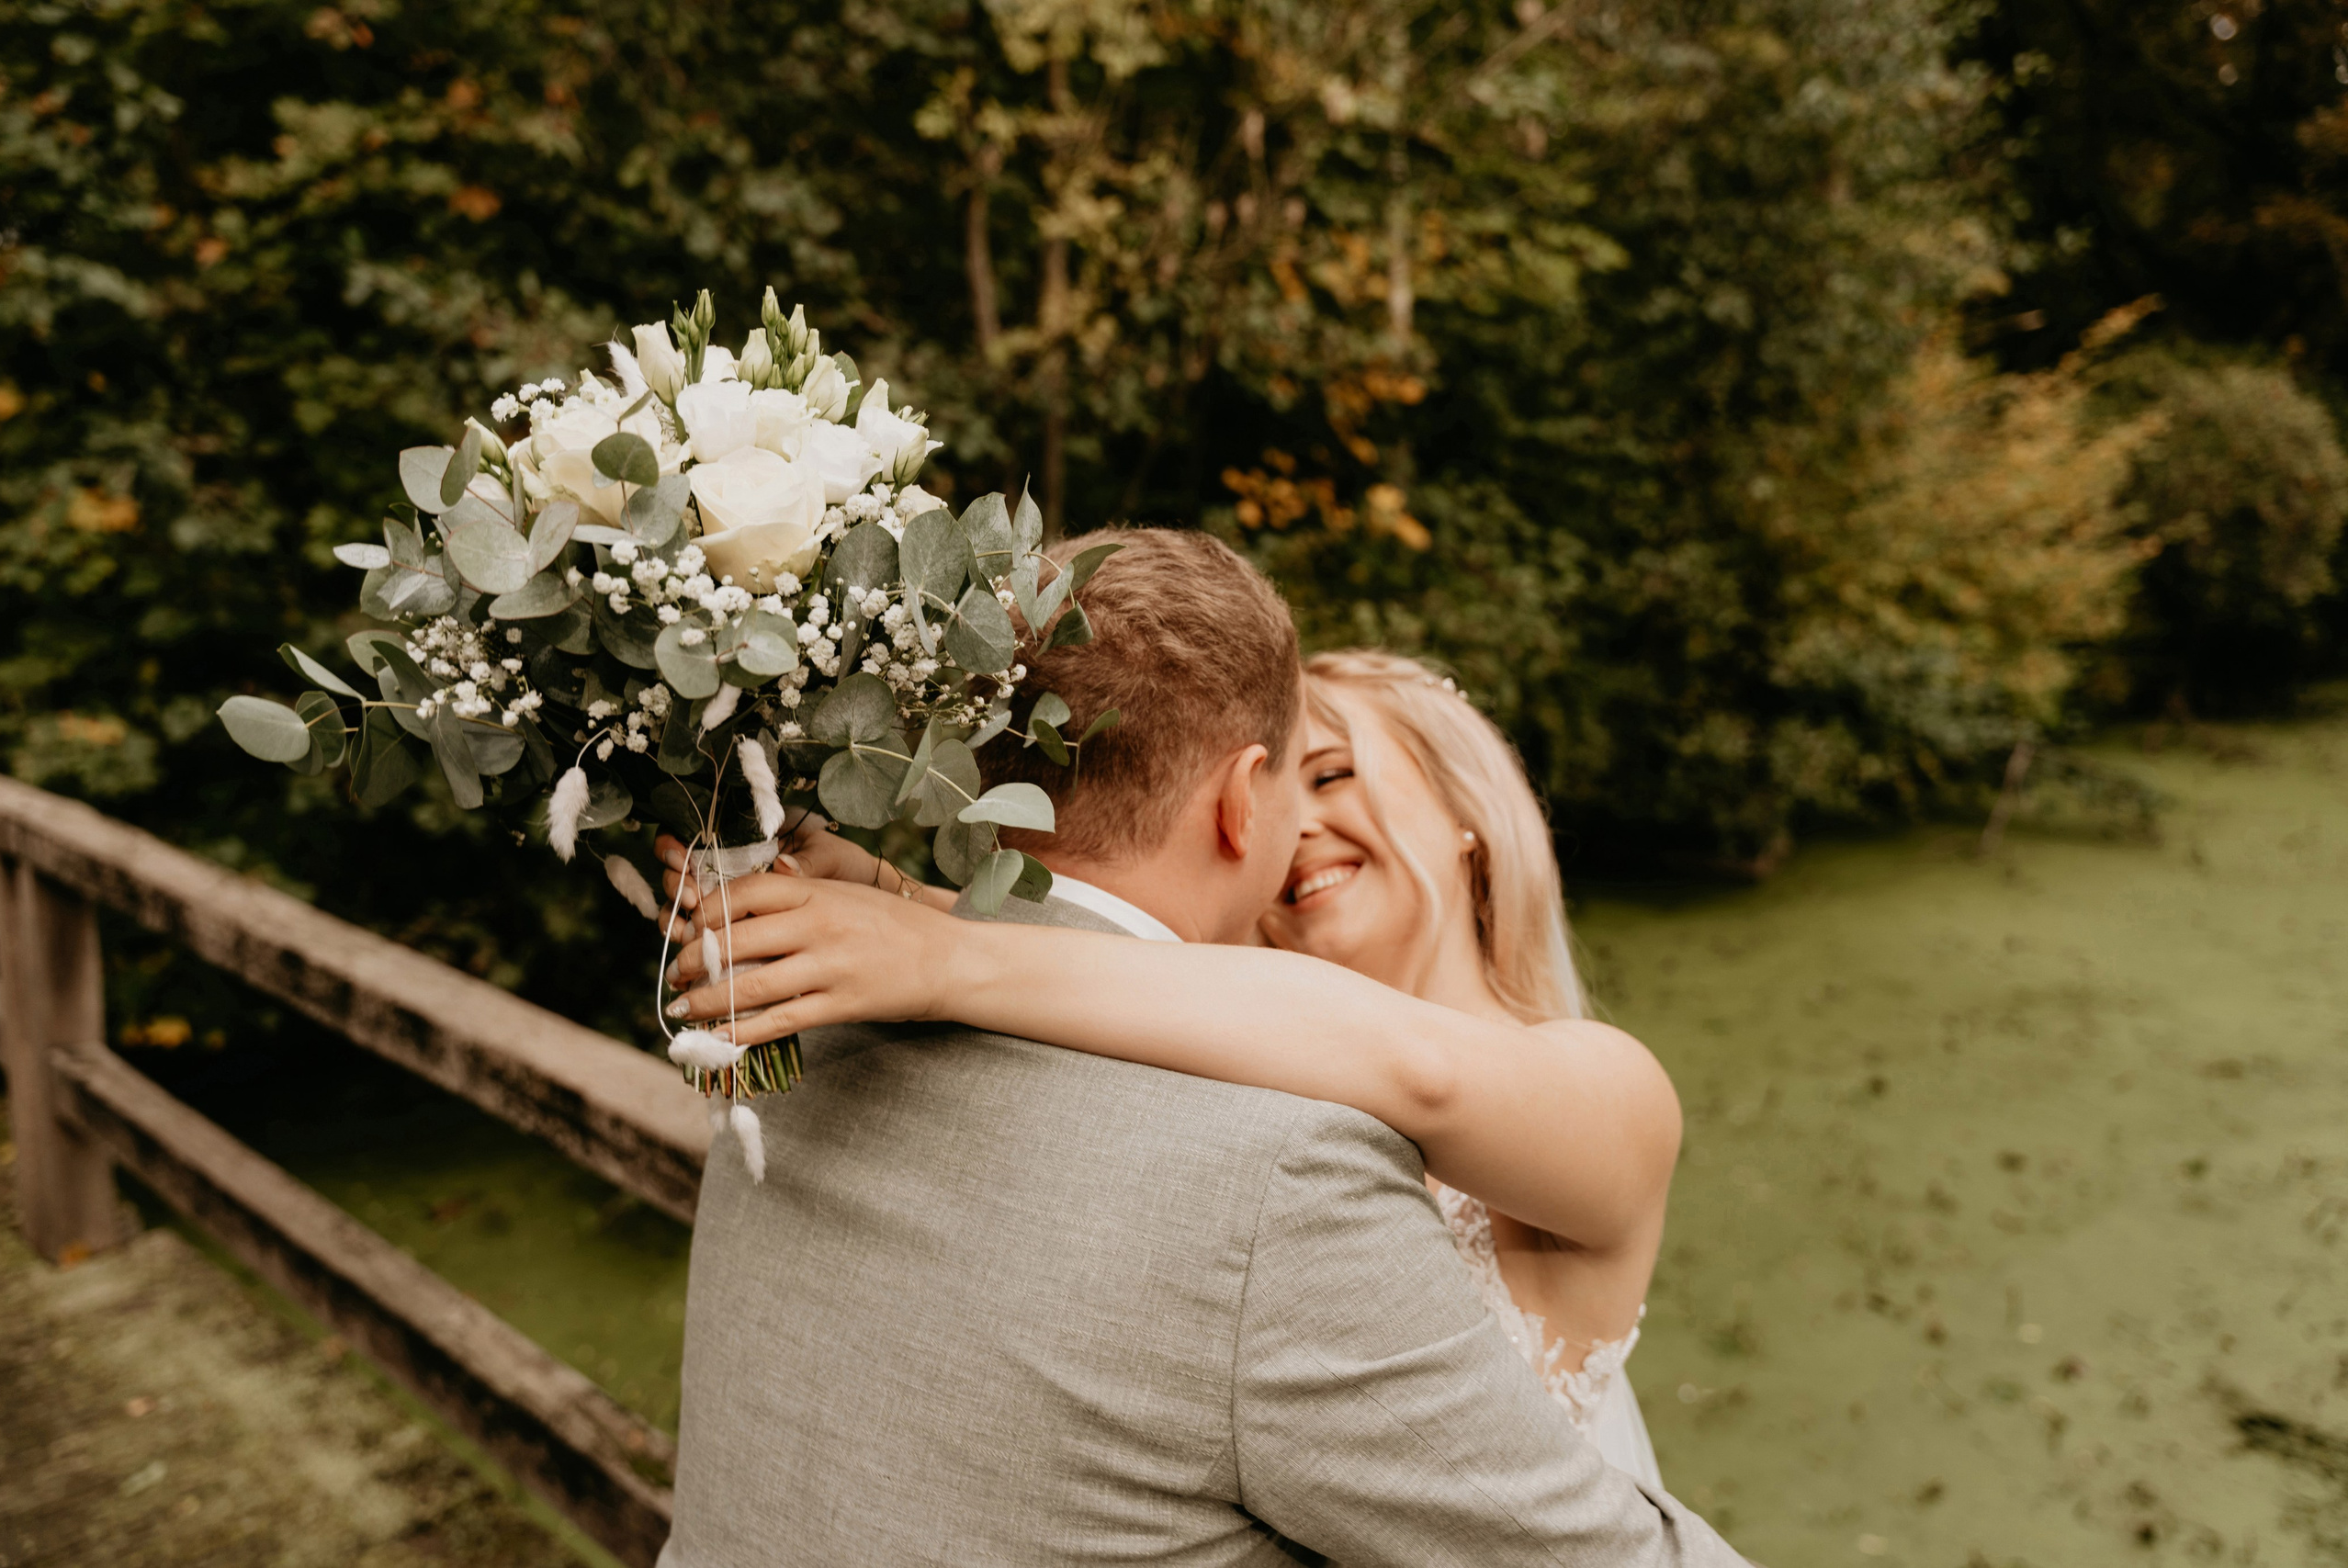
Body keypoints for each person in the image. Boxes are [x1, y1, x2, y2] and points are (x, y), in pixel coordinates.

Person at [653, 527, 1747, 1567]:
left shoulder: (1595, 1084)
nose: (1304, 824)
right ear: (1242, 810)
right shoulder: (1218, 1080)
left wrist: (939, 948)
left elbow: (1414, 1069)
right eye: (1290, 783)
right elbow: (1133, 964)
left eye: (1334, 774)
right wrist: (904, 905)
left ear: (1468, 811)